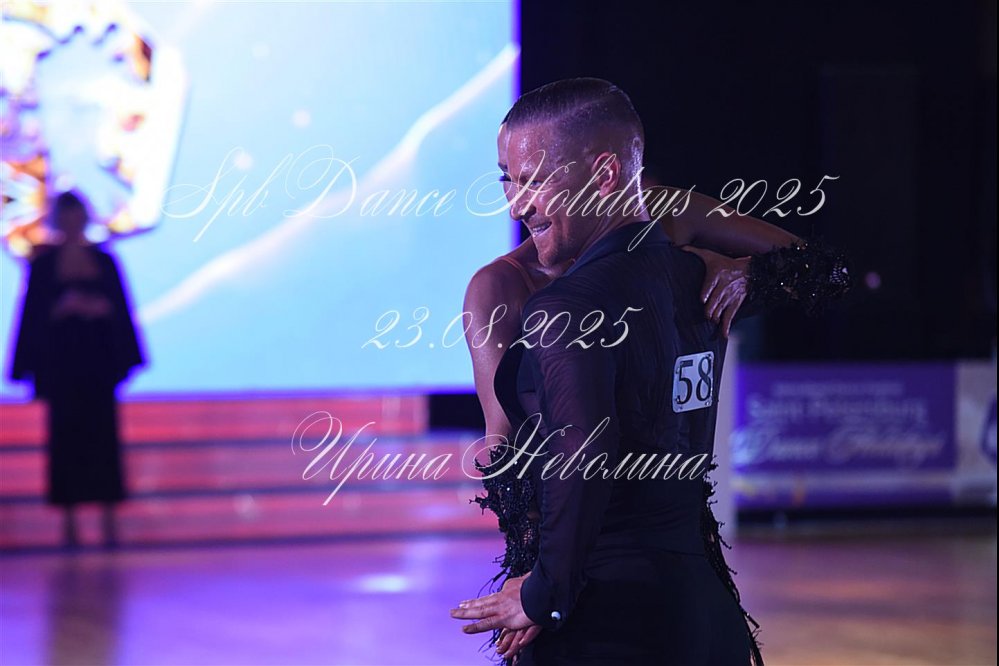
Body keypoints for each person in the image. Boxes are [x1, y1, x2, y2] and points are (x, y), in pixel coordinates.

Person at [450, 79, 849, 665]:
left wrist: (749, 275)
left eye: (534, 179)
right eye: (508, 179)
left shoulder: (667, 228)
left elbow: (823, 271)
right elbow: (504, 453)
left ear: (610, 176)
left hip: (632, 593)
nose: (516, 203)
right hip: (644, 586)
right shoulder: (502, 287)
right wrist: (535, 586)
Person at [8, 190, 146, 549]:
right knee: (66, 441)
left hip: (97, 364)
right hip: (63, 365)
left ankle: (109, 521)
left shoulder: (104, 262)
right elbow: (31, 317)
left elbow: (122, 312)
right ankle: (69, 524)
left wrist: (99, 310)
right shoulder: (43, 264)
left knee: (103, 440)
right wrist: (62, 310)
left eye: (77, 215)